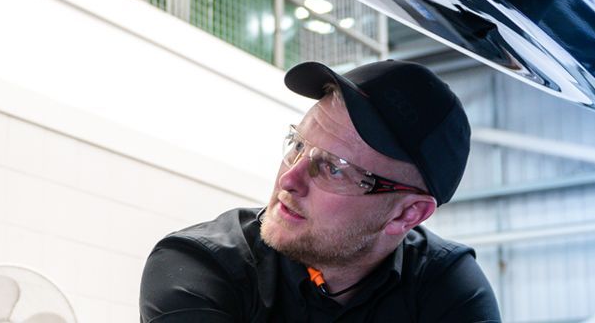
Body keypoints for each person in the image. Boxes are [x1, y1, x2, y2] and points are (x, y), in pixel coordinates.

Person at [140, 60, 501, 322]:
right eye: (297, 144)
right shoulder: (200, 267)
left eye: (333, 168)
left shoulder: (446, 288)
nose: (288, 179)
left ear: (408, 214)